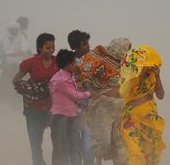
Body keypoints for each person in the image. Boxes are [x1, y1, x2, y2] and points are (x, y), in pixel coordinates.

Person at [76, 37, 131, 165]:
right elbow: (83, 73)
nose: (128, 51)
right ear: (119, 48)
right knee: (103, 141)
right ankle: (97, 161)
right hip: (103, 107)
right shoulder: (100, 60)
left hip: (121, 109)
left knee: (121, 143)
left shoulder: (127, 65)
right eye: (126, 48)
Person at [13, 33, 59, 165]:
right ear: (39, 48)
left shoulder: (58, 62)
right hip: (34, 108)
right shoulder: (30, 63)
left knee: (58, 141)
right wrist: (31, 90)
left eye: (52, 47)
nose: (51, 50)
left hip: (55, 108)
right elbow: (16, 80)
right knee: (35, 141)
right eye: (47, 47)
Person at [117, 45, 166, 165]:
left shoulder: (154, 76)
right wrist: (138, 74)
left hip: (149, 118)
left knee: (151, 151)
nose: (151, 67)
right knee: (135, 151)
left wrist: (158, 76)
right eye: (147, 65)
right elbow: (123, 92)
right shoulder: (131, 76)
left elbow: (161, 96)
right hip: (131, 117)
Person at [49, 49, 97, 165]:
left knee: (75, 147)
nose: (77, 65)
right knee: (60, 148)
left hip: (72, 115)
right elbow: (74, 95)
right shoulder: (59, 80)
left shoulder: (69, 76)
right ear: (68, 65)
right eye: (75, 63)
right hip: (61, 117)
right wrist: (90, 94)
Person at [67, 30, 95, 165]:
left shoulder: (94, 61)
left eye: (88, 43)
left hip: (89, 110)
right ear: (75, 46)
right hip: (70, 110)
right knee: (72, 146)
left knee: (88, 146)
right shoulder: (66, 63)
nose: (88, 46)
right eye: (85, 44)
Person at [0, 21, 30, 107]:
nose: (13, 31)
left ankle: (14, 93)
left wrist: (18, 52)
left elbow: (24, 48)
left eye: (15, 29)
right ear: (9, 30)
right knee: (1, 74)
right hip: (5, 63)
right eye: (12, 29)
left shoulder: (21, 38)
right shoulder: (3, 38)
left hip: (17, 63)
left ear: (18, 29)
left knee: (15, 77)